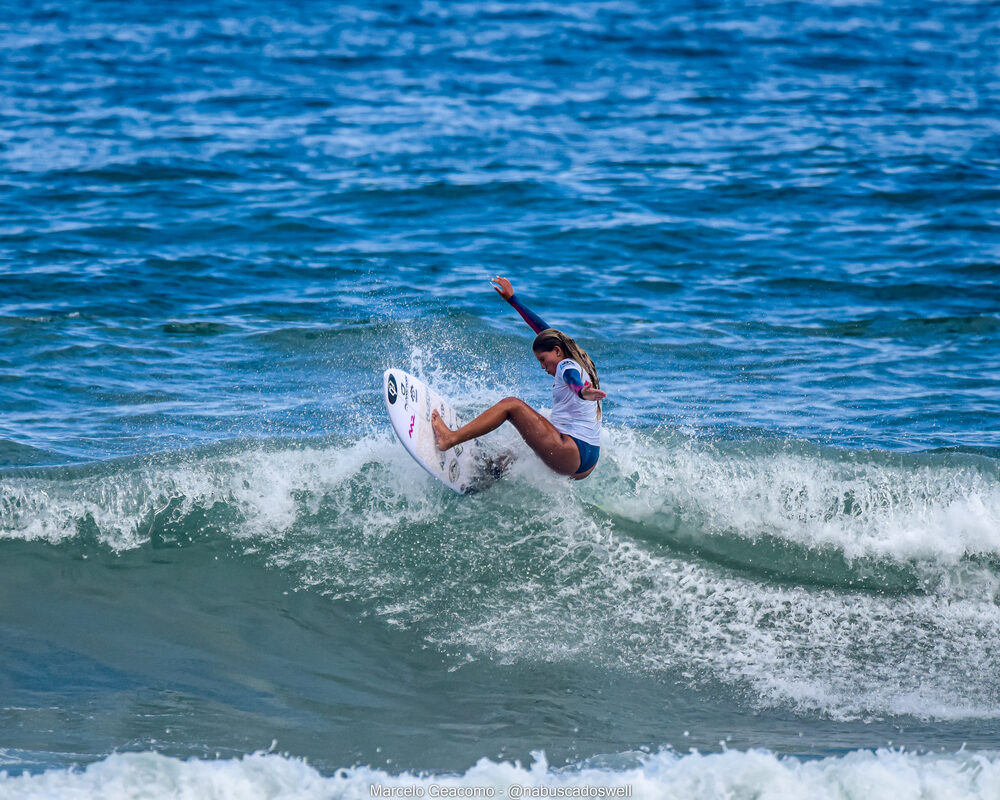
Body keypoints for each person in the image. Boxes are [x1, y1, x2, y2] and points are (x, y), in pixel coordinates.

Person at [431, 277, 607, 479]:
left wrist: (582, 392)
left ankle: (450, 438)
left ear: (558, 351)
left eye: (543, 359)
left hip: (570, 451)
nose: (542, 366)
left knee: (511, 406)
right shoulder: (578, 358)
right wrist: (513, 300)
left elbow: (572, 379)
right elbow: (544, 330)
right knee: (520, 442)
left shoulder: (566, 365)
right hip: (587, 460)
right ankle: (490, 475)